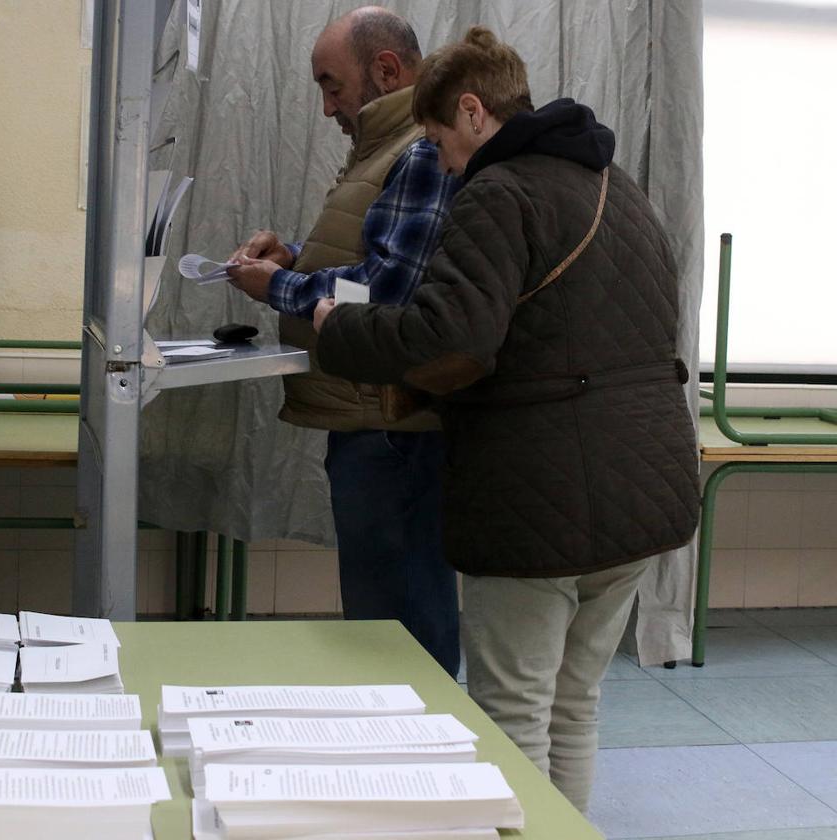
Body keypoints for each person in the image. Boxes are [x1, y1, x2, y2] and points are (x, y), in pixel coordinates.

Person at [312, 27, 700, 812]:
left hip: (540, 499)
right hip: (648, 489)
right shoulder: (613, 183)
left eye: (438, 140)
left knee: (513, 709)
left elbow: (448, 335)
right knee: (574, 703)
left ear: (472, 111)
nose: (442, 163)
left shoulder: (499, 190)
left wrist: (332, 323)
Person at [224, 6, 462, 677]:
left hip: (392, 422)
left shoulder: (418, 149)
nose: (328, 107)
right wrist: (296, 258)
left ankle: (416, 766)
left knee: (399, 627)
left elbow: (386, 299)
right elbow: (376, 271)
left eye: (333, 85)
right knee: (388, 617)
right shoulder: (388, 149)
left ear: (386, 71)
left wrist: (277, 286)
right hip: (377, 416)